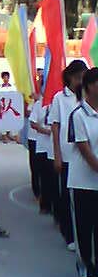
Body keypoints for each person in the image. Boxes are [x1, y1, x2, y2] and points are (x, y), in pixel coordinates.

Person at [49, 60, 88, 251]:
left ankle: (82, 234)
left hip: (84, 156)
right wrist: (56, 154)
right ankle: (69, 234)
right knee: (66, 196)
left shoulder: (87, 97)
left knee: (82, 199)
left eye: (84, 78)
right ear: (70, 77)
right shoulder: (59, 98)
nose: (81, 81)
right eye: (78, 77)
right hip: (65, 154)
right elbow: (55, 126)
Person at [67, 67, 98, 277]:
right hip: (82, 182)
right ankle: (85, 267)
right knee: (84, 227)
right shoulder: (78, 115)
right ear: (88, 86)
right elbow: (85, 150)